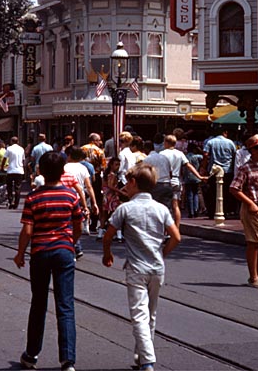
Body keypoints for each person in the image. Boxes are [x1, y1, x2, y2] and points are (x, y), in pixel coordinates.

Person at [103, 162, 181, 371]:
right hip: (157, 268)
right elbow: (176, 237)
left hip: (137, 268)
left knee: (139, 315)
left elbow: (108, 235)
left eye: (127, 182)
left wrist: (107, 253)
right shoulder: (161, 208)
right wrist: (162, 254)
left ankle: (147, 361)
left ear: (134, 183)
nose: (125, 186)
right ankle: (141, 355)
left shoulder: (125, 209)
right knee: (151, 314)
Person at [14, 151, 82, 371]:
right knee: (65, 306)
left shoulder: (33, 197)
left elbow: (27, 230)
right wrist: (70, 242)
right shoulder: (71, 196)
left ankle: (31, 355)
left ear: (40, 171)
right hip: (64, 252)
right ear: (63, 172)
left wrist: (20, 252)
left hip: (40, 253)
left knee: (39, 304)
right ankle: (68, 360)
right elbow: (78, 225)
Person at [230, 133, 258, 289]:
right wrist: (250, 203)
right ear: (253, 151)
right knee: (254, 243)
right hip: (253, 209)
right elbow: (234, 188)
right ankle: (254, 277)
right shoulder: (245, 168)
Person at [147, 135, 202, 228]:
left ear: (166, 143)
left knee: (163, 206)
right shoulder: (179, 154)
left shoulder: (162, 154)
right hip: (177, 180)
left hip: (165, 180)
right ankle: (176, 227)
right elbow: (188, 165)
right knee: (175, 206)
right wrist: (199, 176)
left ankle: (164, 228)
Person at [204, 127, 236, 219]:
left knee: (213, 192)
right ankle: (224, 211)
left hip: (214, 170)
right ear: (225, 132)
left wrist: (204, 167)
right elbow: (234, 155)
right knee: (226, 192)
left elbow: (205, 155)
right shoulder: (230, 142)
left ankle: (212, 211)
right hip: (227, 171)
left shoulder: (210, 142)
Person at [81, 133, 106, 234]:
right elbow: (103, 166)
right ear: (94, 140)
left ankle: (84, 221)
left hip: (82, 176)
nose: (100, 142)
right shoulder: (99, 151)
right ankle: (93, 223)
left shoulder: (82, 149)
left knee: (83, 199)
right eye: (99, 140)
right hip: (95, 177)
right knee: (95, 199)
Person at [5, 136, 26, 209]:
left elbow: (5, 158)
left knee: (9, 187)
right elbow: (23, 160)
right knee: (18, 188)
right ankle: (16, 203)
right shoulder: (21, 149)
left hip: (10, 170)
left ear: (11, 141)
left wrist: (2, 167)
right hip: (19, 170)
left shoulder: (9, 148)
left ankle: (11, 201)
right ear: (18, 142)